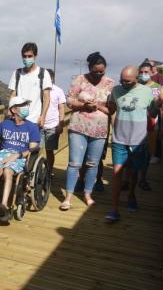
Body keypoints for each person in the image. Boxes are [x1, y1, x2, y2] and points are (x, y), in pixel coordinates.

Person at [105, 66, 162, 223]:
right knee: (117, 173)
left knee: (134, 171)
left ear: (137, 79)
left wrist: (158, 105)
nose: (124, 84)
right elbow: (111, 108)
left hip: (138, 140)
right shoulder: (116, 90)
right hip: (119, 139)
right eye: (121, 80)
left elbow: (153, 114)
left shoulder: (147, 92)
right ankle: (114, 209)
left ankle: (131, 195)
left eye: (128, 82)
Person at [59, 52, 114, 210]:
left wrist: (98, 107)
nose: (98, 74)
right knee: (74, 163)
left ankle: (87, 194)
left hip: (100, 130)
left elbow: (112, 108)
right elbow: (69, 100)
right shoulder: (79, 80)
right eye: (95, 71)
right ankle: (68, 197)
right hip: (78, 127)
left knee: (92, 164)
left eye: (101, 71)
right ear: (89, 68)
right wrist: (84, 106)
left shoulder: (110, 83)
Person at [135, 62, 163, 190]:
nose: (143, 75)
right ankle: (128, 180)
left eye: (146, 72)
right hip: (134, 125)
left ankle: (143, 179)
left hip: (151, 125)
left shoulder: (158, 87)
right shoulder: (134, 85)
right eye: (141, 72)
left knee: (147, 153)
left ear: (151, 72)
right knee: (132, 153)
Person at [8, 42, 52, 128]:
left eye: (29, 56)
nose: (26, 58)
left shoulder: (43, 73)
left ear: (35, 56)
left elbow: (46, 97)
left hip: (35, 121)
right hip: (18, 119)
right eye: (24, 56)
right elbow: (13, 94)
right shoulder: (17, 73)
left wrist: (43, 116)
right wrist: (10, 111)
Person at [42, 69, 66, 176]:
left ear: (52, 78)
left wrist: (60, 125)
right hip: (39, 125)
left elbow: (61, 108)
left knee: (49, 151)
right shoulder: (39, 89)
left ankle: (49, 171)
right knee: (35, 149)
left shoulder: (58, 90)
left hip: (52, 125)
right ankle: (36, 170)